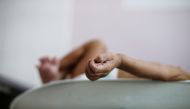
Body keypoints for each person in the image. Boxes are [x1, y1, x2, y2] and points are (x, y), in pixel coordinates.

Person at [37, 39, 190, 84]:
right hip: (95, 81)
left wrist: (120, 60)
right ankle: (59, 76)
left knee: (97, 45)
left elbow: (166, 73)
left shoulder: (183, 76)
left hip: (94, 80)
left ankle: (56, 73)